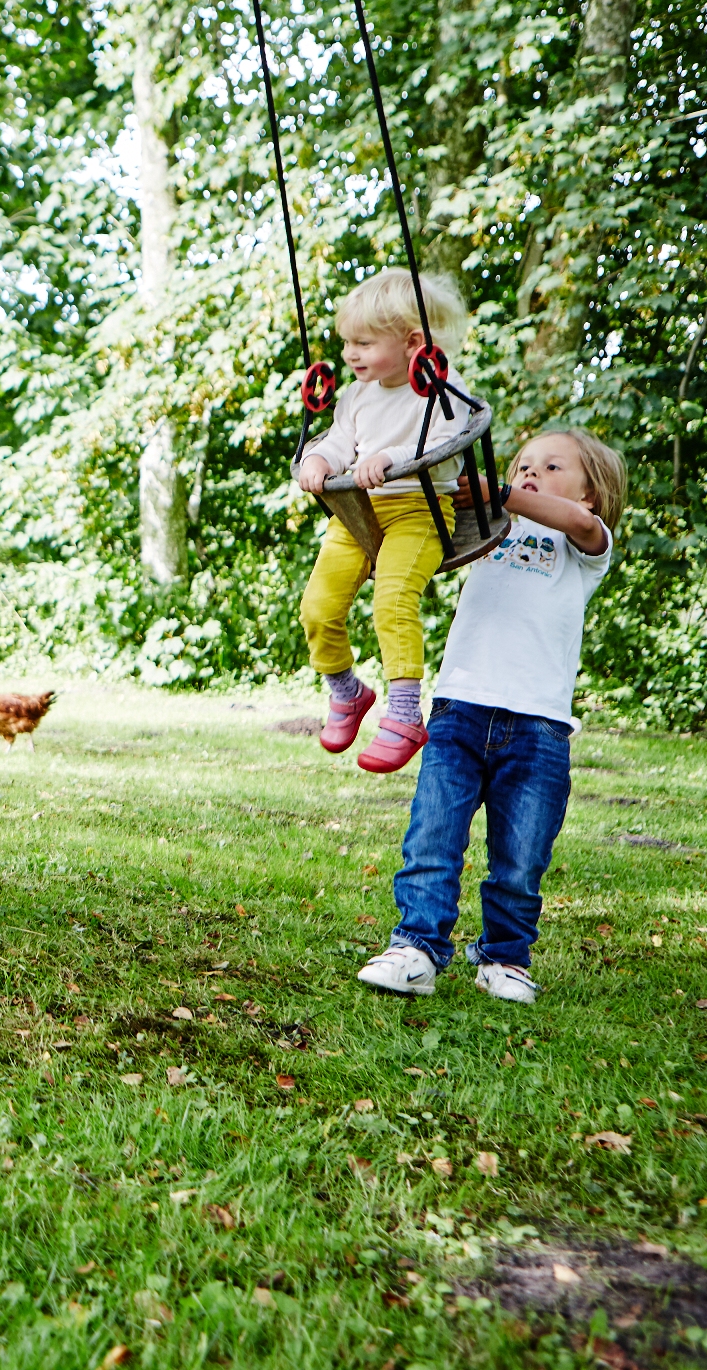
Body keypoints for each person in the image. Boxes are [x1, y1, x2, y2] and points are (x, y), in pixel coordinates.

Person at [354, 428, 627, 1005]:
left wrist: (501, 492)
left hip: (538, 729)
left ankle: (505, 956)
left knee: (521, 858)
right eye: (524, 465)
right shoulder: (490, 529)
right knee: (433, 836)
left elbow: (576, 526)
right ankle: (416, 947)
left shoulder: (584, 544)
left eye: (551, 468)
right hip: (460, 709)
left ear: (590, 495)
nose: (529, 473)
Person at [295, 268, 477, 775]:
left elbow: (447, 441)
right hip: (357, 512)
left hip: (419, 511)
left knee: (393, 598)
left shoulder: (439, 387)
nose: (351, 354)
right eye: (347, 343)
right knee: (317, 606)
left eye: (364, 343)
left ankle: (403, 713)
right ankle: (346, 691)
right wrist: (321, 459)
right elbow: (338, 441)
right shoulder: (357, 394)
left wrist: (394, 456)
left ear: (412, 342)